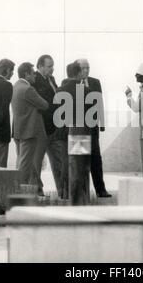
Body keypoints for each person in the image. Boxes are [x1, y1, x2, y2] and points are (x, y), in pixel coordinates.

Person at [55, 62, 92, 204]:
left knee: (66, 164)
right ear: (78, 74)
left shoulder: (60, 91)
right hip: (81, 131)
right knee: (81, 165)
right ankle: (83, 196)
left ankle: (66, 194)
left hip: (64, 132)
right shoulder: (87, 92)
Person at [11, 62, 49, 195]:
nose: (35, 76)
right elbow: (44, 105)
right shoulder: (28, 89)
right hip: (29, 132)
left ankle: (37, 189)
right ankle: (18, 193)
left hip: (18, 131)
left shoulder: (16, 87)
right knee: (25, 165)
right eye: (33, 73)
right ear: (26, 74)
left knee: (27, 163)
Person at [76, 58, 111, 197]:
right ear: (77, 69)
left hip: (93, 127)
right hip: (78, 128)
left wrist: (102, 124)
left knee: (96, 158)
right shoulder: (72, 83)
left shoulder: (95, 82)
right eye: (83, 68)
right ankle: (81, 191)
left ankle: (100, 189)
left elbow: (99, 103)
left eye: (88, 68)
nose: (86, 70)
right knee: (79, 159)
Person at [32, 54, 64, 198]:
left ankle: (62, 191)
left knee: (58, 162)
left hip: (53, 127)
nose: (52, 69)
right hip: (41, 128)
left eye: (53, 66)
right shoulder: (34, 80)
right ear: (40, 66)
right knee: (37, 162)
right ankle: (37, 191)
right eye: (49, 66)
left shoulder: (51, 79)